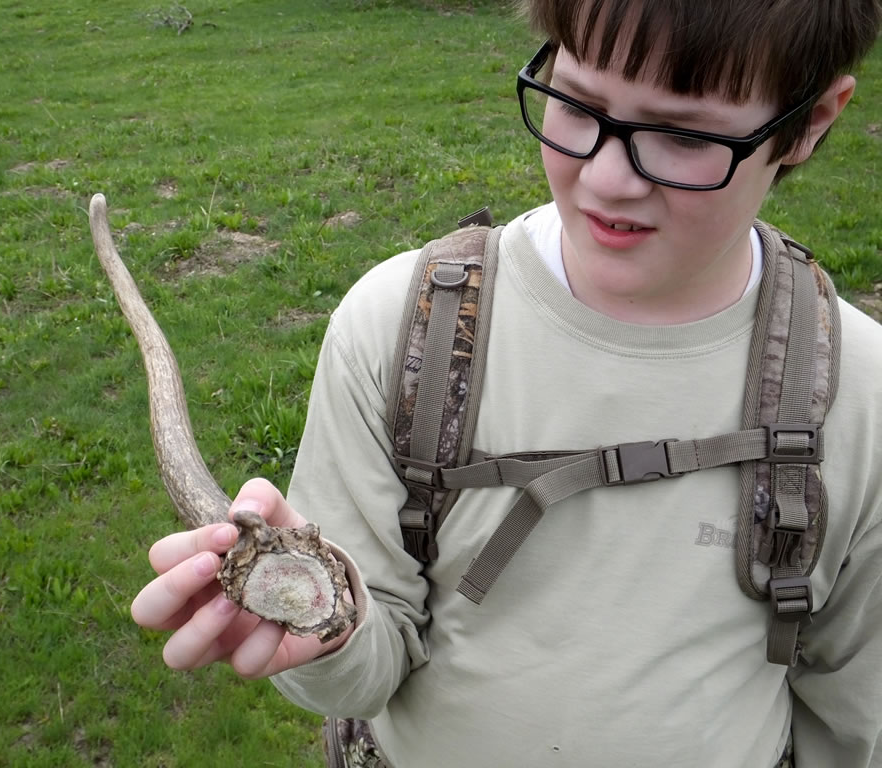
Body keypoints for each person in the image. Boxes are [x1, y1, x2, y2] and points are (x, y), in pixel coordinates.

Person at [130, 1, 882, 765]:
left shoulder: (860, 392)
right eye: (578, 104)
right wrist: (325, 623)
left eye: (684, 135)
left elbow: (854, 712)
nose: (606, 177)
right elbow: (365, 669)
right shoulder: (398, 328)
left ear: (810, 123)